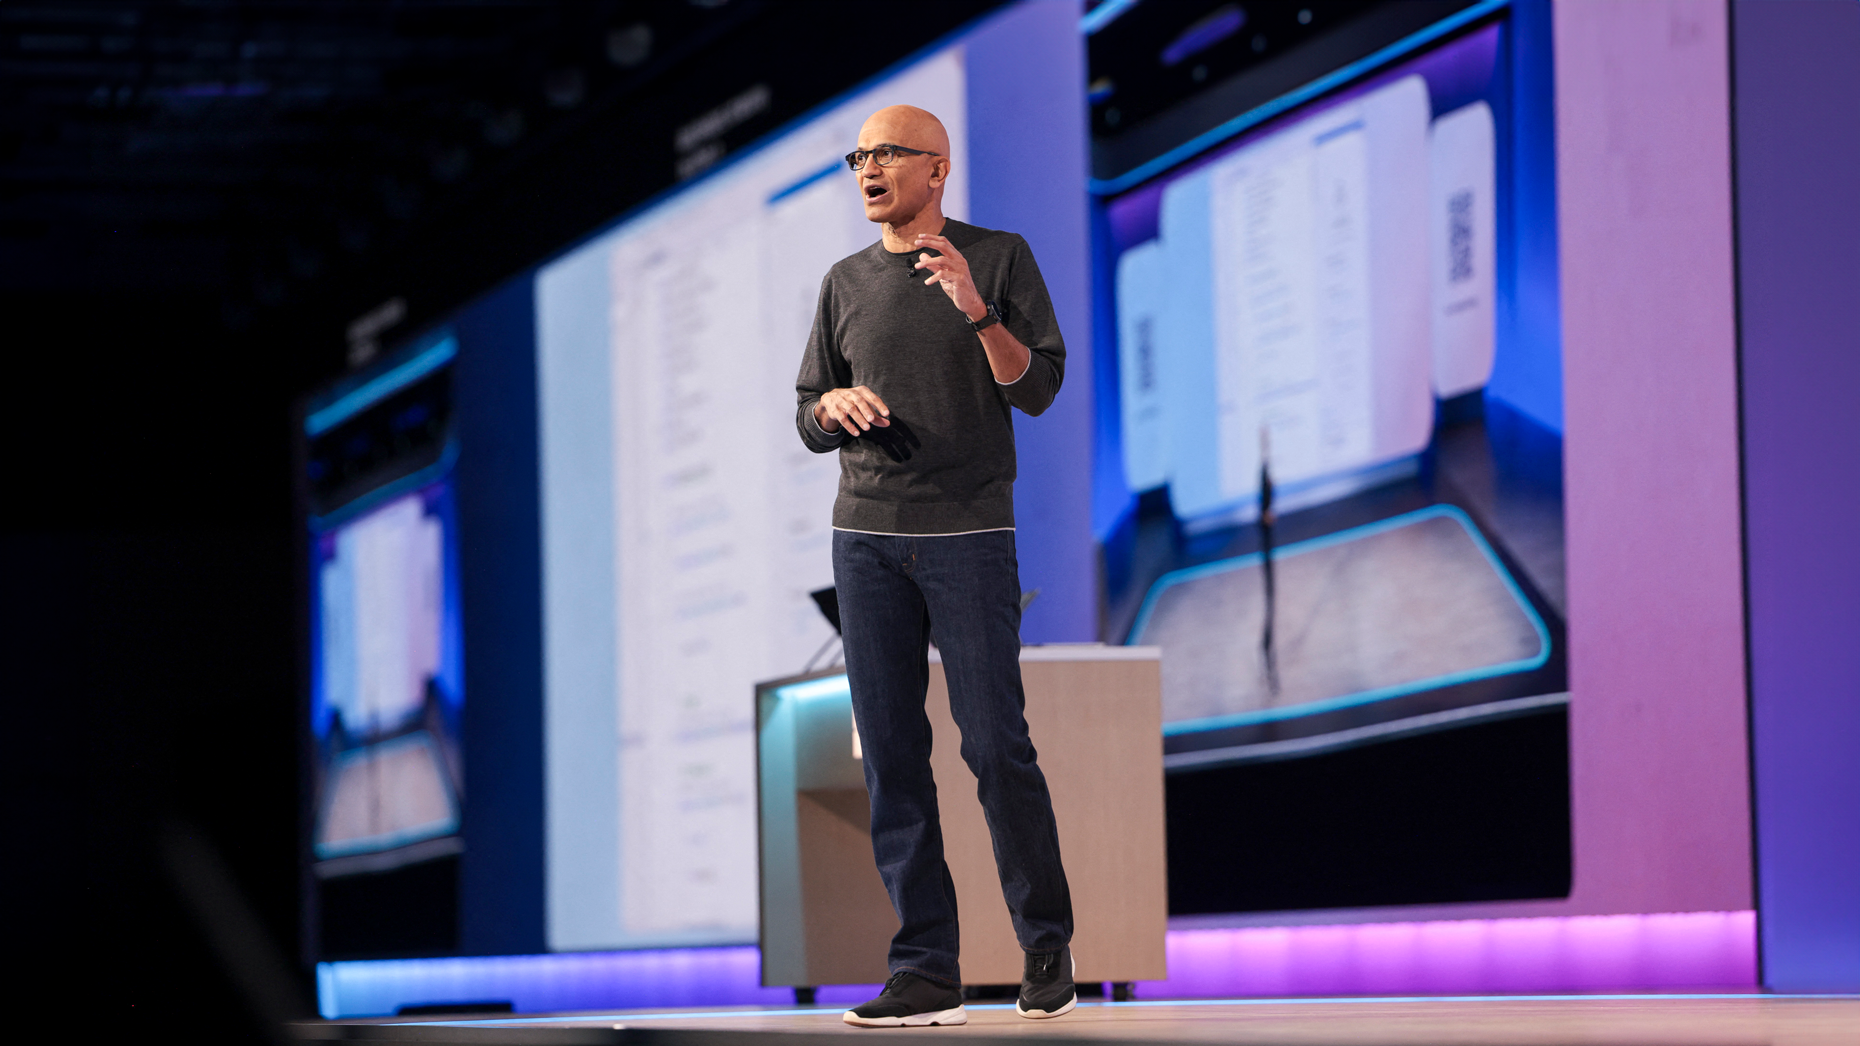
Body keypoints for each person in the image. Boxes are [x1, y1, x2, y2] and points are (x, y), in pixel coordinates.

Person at [794, 105, 1075, 1028]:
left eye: (886, 155)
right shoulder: (843, 282)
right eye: (859, 157)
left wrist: (975, 309)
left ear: (936, 170)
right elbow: (806, 408)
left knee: (996, 745)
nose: (868, 170)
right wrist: (831, 405)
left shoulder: (997, 256)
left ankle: (1044, 942)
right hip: (865, 538)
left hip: (969, 535)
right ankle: (925, 968)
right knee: (893, 760)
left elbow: (1035, 387)